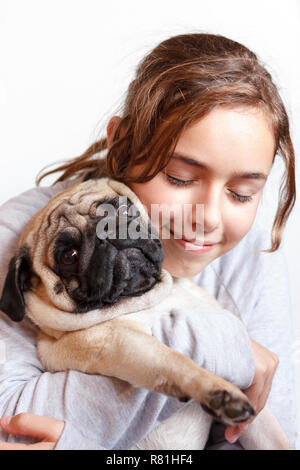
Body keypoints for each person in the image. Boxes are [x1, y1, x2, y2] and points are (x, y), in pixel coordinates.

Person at [0, 33, 296, 450]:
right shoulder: (18, 237)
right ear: (122, 145)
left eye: (241, 194)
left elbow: (272, 432)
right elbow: (12, 423)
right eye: (179, 178)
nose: (207, 217)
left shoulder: (245, 257)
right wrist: (219, 346)